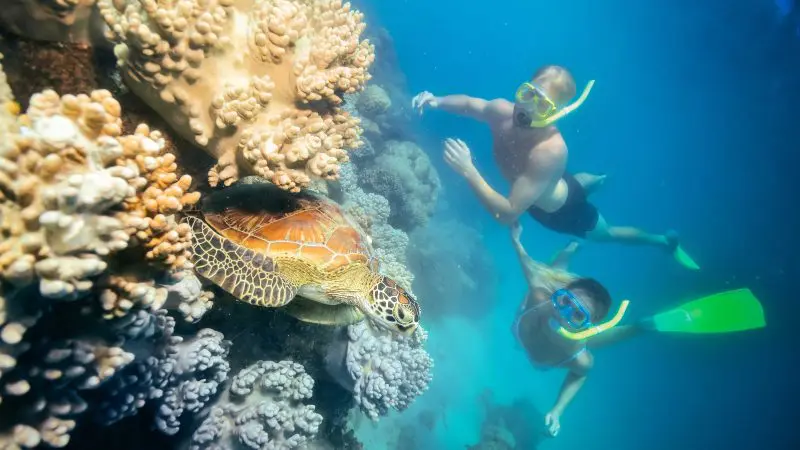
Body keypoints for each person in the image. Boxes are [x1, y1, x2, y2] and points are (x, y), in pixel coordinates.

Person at [411, 65, 698, 269]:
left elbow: (508, 212)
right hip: (551, 183)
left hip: (562, 212)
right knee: (574, 181)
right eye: (528, 94)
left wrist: (468, 170)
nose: (529, 109)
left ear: (556, 112)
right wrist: (436, 100)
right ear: (521, 89)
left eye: (543, 106)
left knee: (606, 234)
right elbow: (471, 105)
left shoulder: (550, 151)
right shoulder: (502, 111)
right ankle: (601, 178)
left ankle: (661, 241)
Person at [507, 221, 765, 438]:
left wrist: (558, 409)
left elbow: (579, 374)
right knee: (556, 270)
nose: (563, 314)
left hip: (569, 344)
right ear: (558, 297)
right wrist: (516, 238)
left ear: (587, 323)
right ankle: (572, 246)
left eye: (576, 314)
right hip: (533, 326)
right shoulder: (541, 297)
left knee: (600, 338)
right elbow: (527, 263)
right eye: (563, 301)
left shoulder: (581, 358)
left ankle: (644, 326)